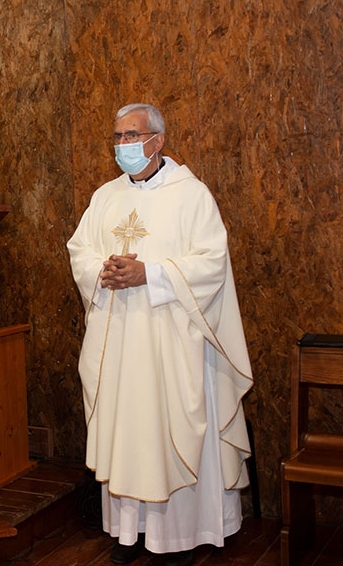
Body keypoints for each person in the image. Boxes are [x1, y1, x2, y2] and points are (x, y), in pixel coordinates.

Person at [66, 104, 253, 566]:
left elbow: (211, 261)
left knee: (170, 429)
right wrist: (103, 270)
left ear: (158, 140)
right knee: (128, 430)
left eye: (133, 136)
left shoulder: (191, 196)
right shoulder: (105, 197)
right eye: (118, 137)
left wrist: (151, 274)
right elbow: (80, 249)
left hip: (173, 341)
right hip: (121, 339)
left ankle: (183, 535)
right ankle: (130, 532)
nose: (124, 145)